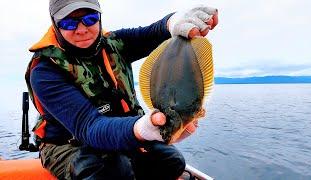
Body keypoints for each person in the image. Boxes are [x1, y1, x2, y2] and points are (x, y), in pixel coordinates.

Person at [25, 0, 218, 179]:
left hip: (120, 131)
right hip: (68, 143)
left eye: (90, 19)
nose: (82, 29)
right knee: (113, 170)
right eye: (69, 23)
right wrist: (143, 128)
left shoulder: (115, 44)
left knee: (172, 162)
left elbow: (153, 32)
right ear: (55, 24)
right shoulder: (44, 70)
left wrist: (175, 22)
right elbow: (88, 127)